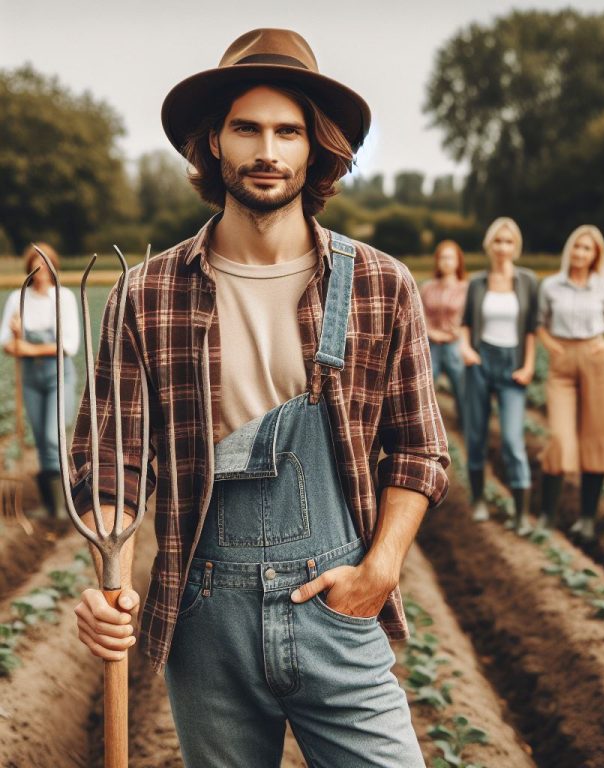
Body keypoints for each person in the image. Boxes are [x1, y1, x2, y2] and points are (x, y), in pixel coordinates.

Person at [70, 29, 448, 768]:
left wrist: (381, 568)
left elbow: (419, 446)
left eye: (288, 131)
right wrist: (107, 585)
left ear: (317, 148)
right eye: (247, 128)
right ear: (214, 143)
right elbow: (111, 465)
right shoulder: (146, 295)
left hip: (336, 602)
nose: (267, 150)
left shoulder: (376, 283)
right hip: (205, 613)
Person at [537, 225, 604, 541]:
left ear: (595, 254)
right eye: (577, 247)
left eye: (587, 249)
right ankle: (548, 515)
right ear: (569, 250)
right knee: (559, 438)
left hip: (595, 358)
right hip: (562, 363)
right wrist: (551, 345)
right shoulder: (551, 286)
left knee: (596, 438)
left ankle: (587, 518)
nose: (581, 254)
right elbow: (539, 324)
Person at [459, 217, 537, 532]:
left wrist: (529, 365)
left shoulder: (528, 281)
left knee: (512, 440)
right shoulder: (477, 282)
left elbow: (531, 328)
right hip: (481, 360)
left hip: (513, 365)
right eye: (497, 242)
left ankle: (520, 513)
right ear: (489, 246)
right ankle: (478, 499)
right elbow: (466, 322)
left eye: (508, 242)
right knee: (476, 436)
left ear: (515, 246)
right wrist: (466, 348)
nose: (503, 247)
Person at [0, 243, 79, 518]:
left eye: (46, 264)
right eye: (36, 265)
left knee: (52, 436)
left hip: (58, 375)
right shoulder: (17, 298)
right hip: (30, 377)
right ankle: (53, 508)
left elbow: (68, 345)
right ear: (29, 268)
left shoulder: (64, 297)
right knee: (41, 441)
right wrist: (15, 337)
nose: (41, 271)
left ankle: (68, 501)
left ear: (53, 266)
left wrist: (28, 348)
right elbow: (5, 342)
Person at [419, 239, 468, 429]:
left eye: (450, 257)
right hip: (432, 344)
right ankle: (426, 427)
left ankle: (466, 426)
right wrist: (432, 333)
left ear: (458, 261)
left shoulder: (466, 288)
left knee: (462, 389)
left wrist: (454, 334)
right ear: (437, 261)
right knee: (425, 387)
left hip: (455, 344)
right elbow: (420, 315)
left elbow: (467, 319)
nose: (446, 262)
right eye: (442, 258)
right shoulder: (428, 287)